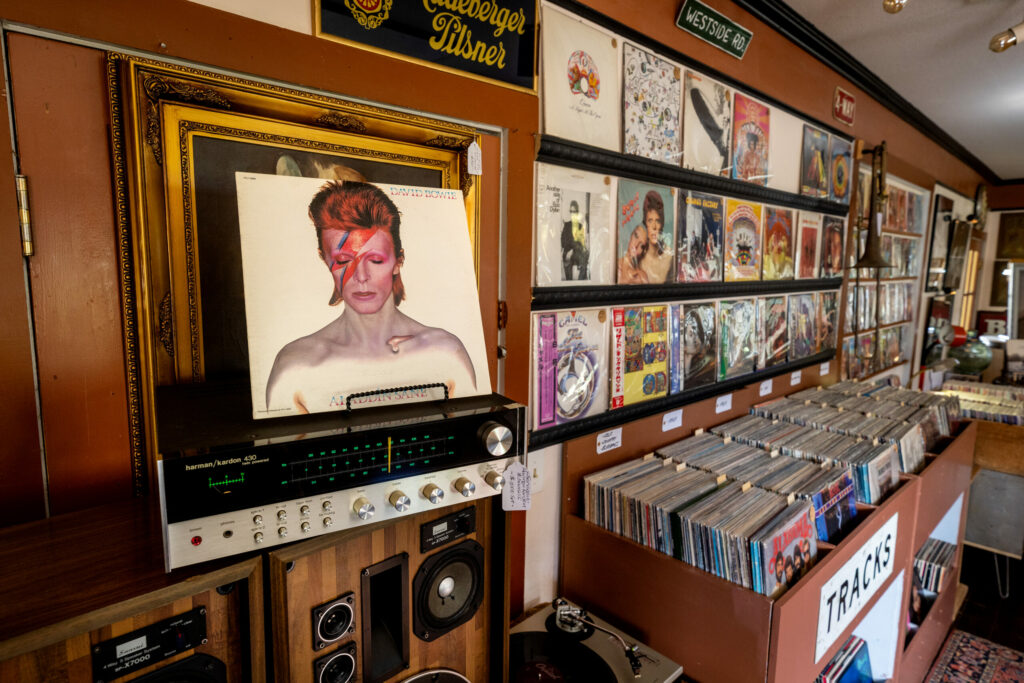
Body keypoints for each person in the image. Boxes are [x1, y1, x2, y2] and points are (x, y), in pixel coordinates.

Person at [265, 181, 476, 413]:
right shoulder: (295, 366)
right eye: (344, 261)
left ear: (399, 261)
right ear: (324, 259)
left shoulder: (446, 353)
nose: (361, 277)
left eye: (375, 260)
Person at [638, 191, 674, 283]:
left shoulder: (670, 257)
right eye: (650, 221)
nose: (654, 226)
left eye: (657, 221)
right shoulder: (639, 259)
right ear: (645, 223)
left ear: (662, 224)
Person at [560, 199, 589, 280]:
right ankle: (569, 283)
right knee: (567, 260)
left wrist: (576, 249)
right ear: (570, 212)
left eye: (575, 211)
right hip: (567, 252)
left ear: (577, 212)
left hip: (576, 252)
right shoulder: (567, 225)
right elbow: (563, 242)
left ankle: (580, 283)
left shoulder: (580, 226)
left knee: (584, 258)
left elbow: (581, 242)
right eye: (571, 211)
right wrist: (568, 251)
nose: (573, 213)